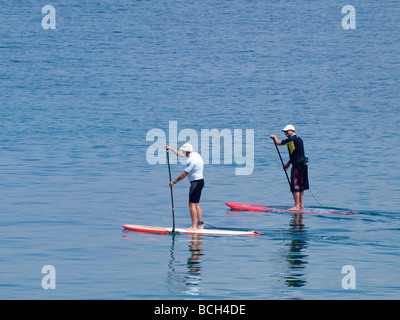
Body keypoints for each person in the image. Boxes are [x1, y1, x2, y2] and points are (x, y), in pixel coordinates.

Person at [165, 143, 205, 230]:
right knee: (196, 204)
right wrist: (170, 148)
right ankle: (200, 225)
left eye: (184, 151)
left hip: (195, 183)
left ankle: (193, 226)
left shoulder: (191, 160)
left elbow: (184, 174)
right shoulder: (196, 154)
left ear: (187, 151)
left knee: (191, 204)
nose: (183, 152)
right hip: (201, 182)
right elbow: (180, 155)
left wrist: (174, 182)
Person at [270, 125, 309, 211]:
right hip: (302, 164)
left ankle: (296, 206)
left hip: (297, 165)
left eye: (287, 131)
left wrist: (275, 137)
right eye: (284, 132)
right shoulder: (299, 139)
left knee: (295, 185)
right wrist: (288, 163)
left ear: (292, 130)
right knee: (300, 185)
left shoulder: (291, 139)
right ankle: (301, 205)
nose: (285, 133)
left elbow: (279, 143)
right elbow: (296, 153)